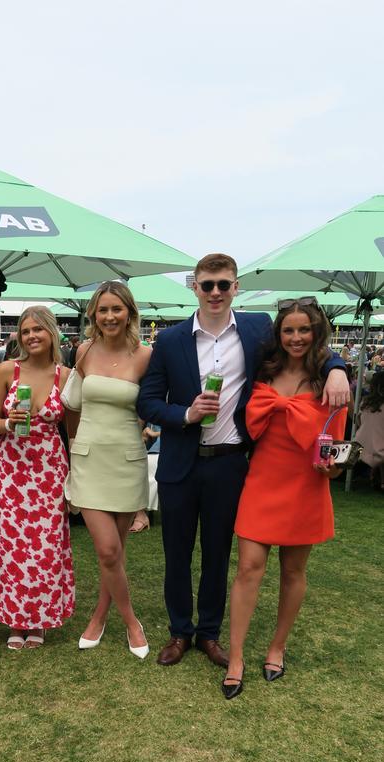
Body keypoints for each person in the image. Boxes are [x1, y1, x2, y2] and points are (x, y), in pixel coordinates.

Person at [137, 254, 350, 669]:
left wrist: (338, 366)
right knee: (176, 554)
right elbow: (146, 401)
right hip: (181, 462)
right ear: (194, 287)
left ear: (236, 287)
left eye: (223, 284)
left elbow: (303, 341)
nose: (215, 292)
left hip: (231, 463)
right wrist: (184, 413)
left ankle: (210, 634)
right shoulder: (170, 340)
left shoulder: (256, 331)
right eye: (207, 285)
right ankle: (180, 631)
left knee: (218, 554)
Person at [222, 300, 348, 698]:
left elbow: (338, 449)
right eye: (289, 330)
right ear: (278, 334)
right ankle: (236, 656)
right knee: (248, 569)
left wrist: (335, 469)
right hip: (261, 480)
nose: (296, 338)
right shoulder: (264, 370)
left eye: (304, 330)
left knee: (293, 573)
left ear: (317, 333)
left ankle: (277, 647)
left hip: (306, 486)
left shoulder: (330, 382)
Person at [61, 282, 151, 658]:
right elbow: (72, 408)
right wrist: (72, 450)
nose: (110, 316)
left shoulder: (146, 355)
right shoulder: (82, 351)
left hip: (128, 461)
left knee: (114, 552)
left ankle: (99, 615)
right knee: (108, 550)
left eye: (117, 309)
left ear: (128, 312)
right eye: (103, 310)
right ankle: (131, 621)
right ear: (93, 315)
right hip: (89, 460)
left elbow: (155, 405)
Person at [0, 305, 74, 649]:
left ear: (51, 332)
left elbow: (72, 429)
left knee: (45, 545)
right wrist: (8, 422)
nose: (32, 336)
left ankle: (38, 619)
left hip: (49, 466)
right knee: (9, 544)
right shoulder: (8, 370)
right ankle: (14, 620)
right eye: (25, 331)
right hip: (11, 467)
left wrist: (75, 473)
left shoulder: (65, 376)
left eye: (38, 329)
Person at [356, 370, 384, 491]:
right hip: (377, 451)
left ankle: (376, 477)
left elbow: (358, 423)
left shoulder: (364, 403)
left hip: (359, 448)